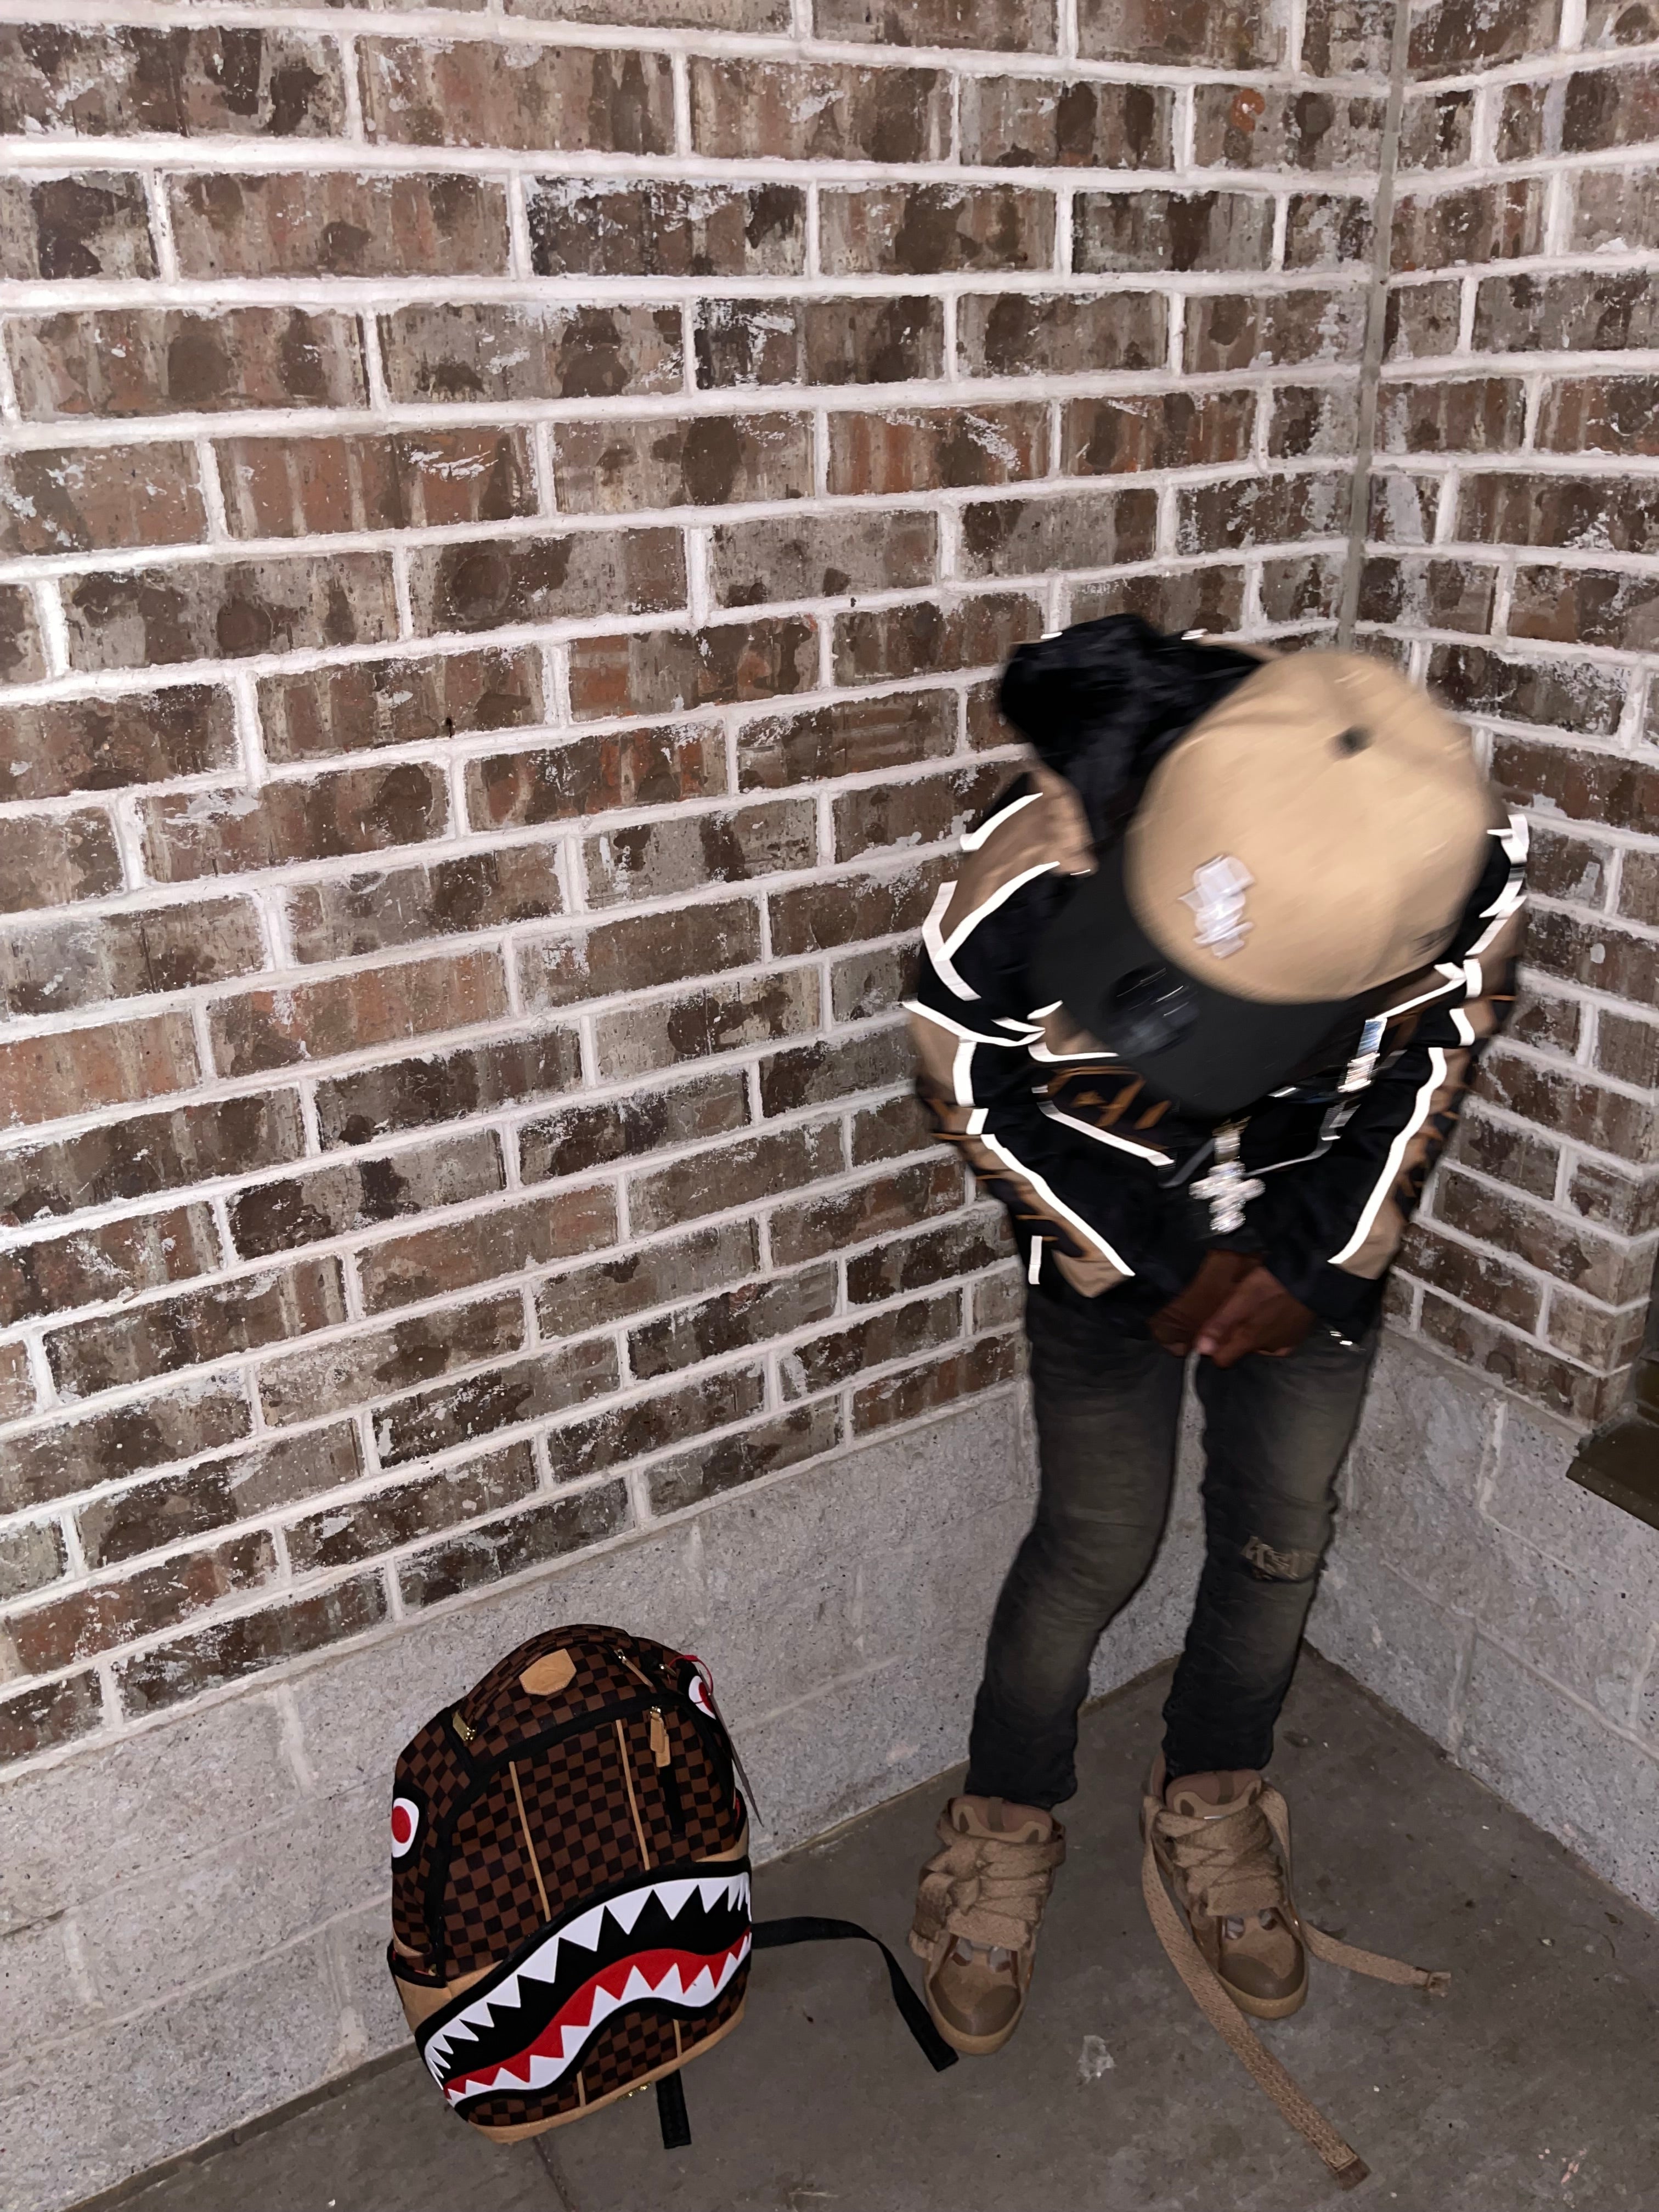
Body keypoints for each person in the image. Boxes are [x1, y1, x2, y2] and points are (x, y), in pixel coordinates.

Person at [904, 617, 1526, 2062]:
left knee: (1280, 1534)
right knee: (1094, 1543)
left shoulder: (1456, 873)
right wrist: (1146, 1264)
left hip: (1314, 1242)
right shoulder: (1029, 865)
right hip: (1102, 1242)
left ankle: (1217, 1792)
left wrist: (1315, 1262)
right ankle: (1003, 1819)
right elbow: (970, 1083)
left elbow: (1435, 1059)